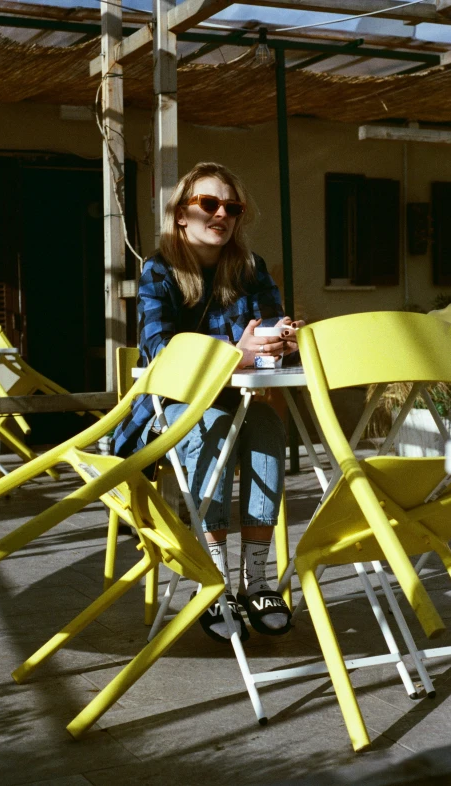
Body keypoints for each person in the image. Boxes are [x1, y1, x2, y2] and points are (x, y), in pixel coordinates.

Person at [113, 161, 304, 643]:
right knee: (212, 426)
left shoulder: (251, 267)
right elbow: (158, 347)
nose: (222, 214)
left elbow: (266, 328)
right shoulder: (159, 268)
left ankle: (255, 581)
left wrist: (279, 340)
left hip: (238, 400)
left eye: (232, 207)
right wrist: (233, 352)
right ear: (181, 213)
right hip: (172, 406)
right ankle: (213, 580)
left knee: (265, 427)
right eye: (209, 204)